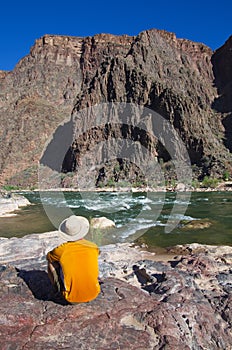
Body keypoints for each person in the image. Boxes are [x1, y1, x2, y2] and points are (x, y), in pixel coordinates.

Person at [47, 215, 100, 303]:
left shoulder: (61, 250)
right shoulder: (93, 246)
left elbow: (49, 257)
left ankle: (57, 289)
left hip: (71, 298)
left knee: (51, 263)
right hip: (94, 293)